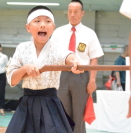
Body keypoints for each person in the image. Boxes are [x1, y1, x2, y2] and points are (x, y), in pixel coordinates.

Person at [5, 5, 84, 133]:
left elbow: (68, 56)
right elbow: (12, 80)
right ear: (28, 27)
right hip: (27, 104)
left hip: (50, 104)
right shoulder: (22, 48)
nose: (43, 25)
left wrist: (74, 61)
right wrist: (25, 68)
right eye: (37, 21)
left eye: (48, 21)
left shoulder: (57, 47)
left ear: (53, 27)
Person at [51, 0, 104, 132]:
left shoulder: (89, 33)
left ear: (82, 13)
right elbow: (52, 55)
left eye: (75, 12)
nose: (72, 15)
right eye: (70, 11)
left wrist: (92, 81)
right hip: (61, 76)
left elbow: (94, 59)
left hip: (81, 77)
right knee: (62, 113)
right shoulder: (58, 32)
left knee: (79, 115)